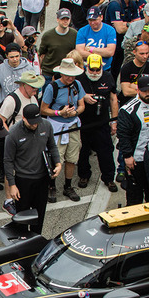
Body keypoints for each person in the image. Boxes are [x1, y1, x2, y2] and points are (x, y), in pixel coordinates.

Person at [4, 103, 61, 234]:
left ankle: (36, 238)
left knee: (40, 213)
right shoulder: (13, 133)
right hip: (23, 180)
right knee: (22, 215)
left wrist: (58, 163)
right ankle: (22, 241)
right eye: (32, 123)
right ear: (24, 118)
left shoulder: (46, 125)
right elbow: (8, 161)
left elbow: (52, 145)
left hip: (42, 178)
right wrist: (12, 185)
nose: (35, 125)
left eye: (37, 122)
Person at [116, 74, 149, 206]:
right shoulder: (128, 110)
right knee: (135, 195)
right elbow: (123, 135)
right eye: (144, 91)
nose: (148, 94)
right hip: (138, 158)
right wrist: (127, 156)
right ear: (138, 90)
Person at [40, 58, 85, 203]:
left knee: (72, 157)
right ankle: (51, 186)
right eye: (67, 75)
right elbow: (43, 109)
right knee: (56, 157)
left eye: (72, 75)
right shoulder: (52, 87)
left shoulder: (77, 84)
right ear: (61, 73)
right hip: (56, 127)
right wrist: (60, 113)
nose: (70, 78)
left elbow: (82, 105)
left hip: (73, 125)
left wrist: (75, 113)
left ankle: (68, 186)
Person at [75, 54, 118, 192]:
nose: (94, 73)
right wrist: (83, 96)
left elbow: (113, 99)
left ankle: (109, 178)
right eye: (91, 70)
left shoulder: (107, 77)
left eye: (97, 70)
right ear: (87, 67)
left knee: (106, 151)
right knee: (83, 151)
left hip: (102, 122)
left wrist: (114, 121)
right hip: (84, 123)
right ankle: (84, 175)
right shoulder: (79, 79)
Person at [104, 0, 141, 77]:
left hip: (124, 41)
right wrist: (131, 24)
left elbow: (138, 25)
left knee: (118, 67)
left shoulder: (132, 4)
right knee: (111, 67)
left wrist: (127, 24)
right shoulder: (115, 5)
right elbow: (119, 29)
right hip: (112, 41)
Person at [38, 9, 78, 85]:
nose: (65, 21)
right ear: (57, 19)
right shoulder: (48, 35)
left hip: (67, 72)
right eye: (63, 19)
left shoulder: (74, 34)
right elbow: (42, 53)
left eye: (67, 19)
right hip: (49, 73)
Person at [118, 41, 149, 106]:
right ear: (134, 52)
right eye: (142, 54)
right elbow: (126, 92)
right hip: (129, 103)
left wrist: (133, 86)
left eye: (147, 53)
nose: (145, 56)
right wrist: (148, 90)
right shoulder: (126, 68)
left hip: (146, 104)